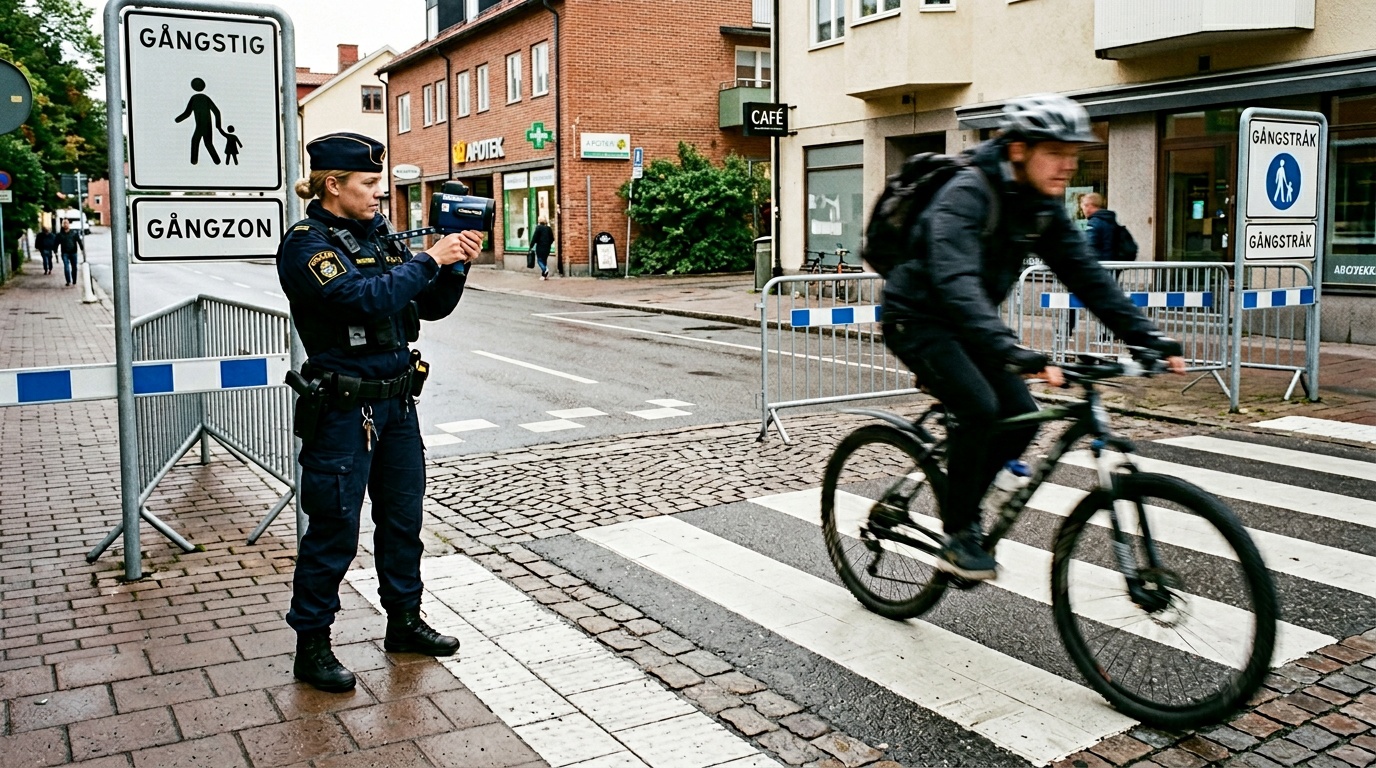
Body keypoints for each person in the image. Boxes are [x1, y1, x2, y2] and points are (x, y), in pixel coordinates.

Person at [881, 94, 1185, 581]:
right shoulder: (967, 192)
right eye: (1056, 152)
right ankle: (959, 533)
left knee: (1021, 417)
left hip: (972, 321)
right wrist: (1011, 350)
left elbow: (1086, 274)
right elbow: (954, 281)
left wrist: (1146, 336)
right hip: (919, 318)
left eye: (1075, 155)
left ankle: (971, 491)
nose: (1068, 166)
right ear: (1019, 149)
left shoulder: (1039, 207)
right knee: (980, 408)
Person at [277, 132, 484, 692]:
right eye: (368, 184)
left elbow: (428, 305)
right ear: (332, 184)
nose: (378, 194)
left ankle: (405, 622)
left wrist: (456, 261)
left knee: (401, 522)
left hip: (396, 404)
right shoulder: (307, 244)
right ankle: (313, 646)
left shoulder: (384, 239)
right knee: (334, 530)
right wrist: (427, 260)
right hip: (343, 410)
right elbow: (361, 299)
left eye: (379, 183)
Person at [1080, 192, 1120, 263]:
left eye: (1085, 205)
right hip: (1110, 266)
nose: (1083, 209)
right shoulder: (1109, 220)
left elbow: (1089, 245)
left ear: (1091, 206)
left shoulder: (1094, 222)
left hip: (1098, 266)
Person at [56, 219, 84, 286]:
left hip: (73, 252)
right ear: (62, 225)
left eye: (67, 223)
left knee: (74, 267)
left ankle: (74, 280)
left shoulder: (74, 233)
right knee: (66, 267)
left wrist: (82, 248)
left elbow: (79, 241)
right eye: (64, 223)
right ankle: (68, 281)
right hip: (65, 253)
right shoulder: (60, 234)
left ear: (69, 224)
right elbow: (56, 243)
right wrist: (55, 251)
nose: (65, 224)